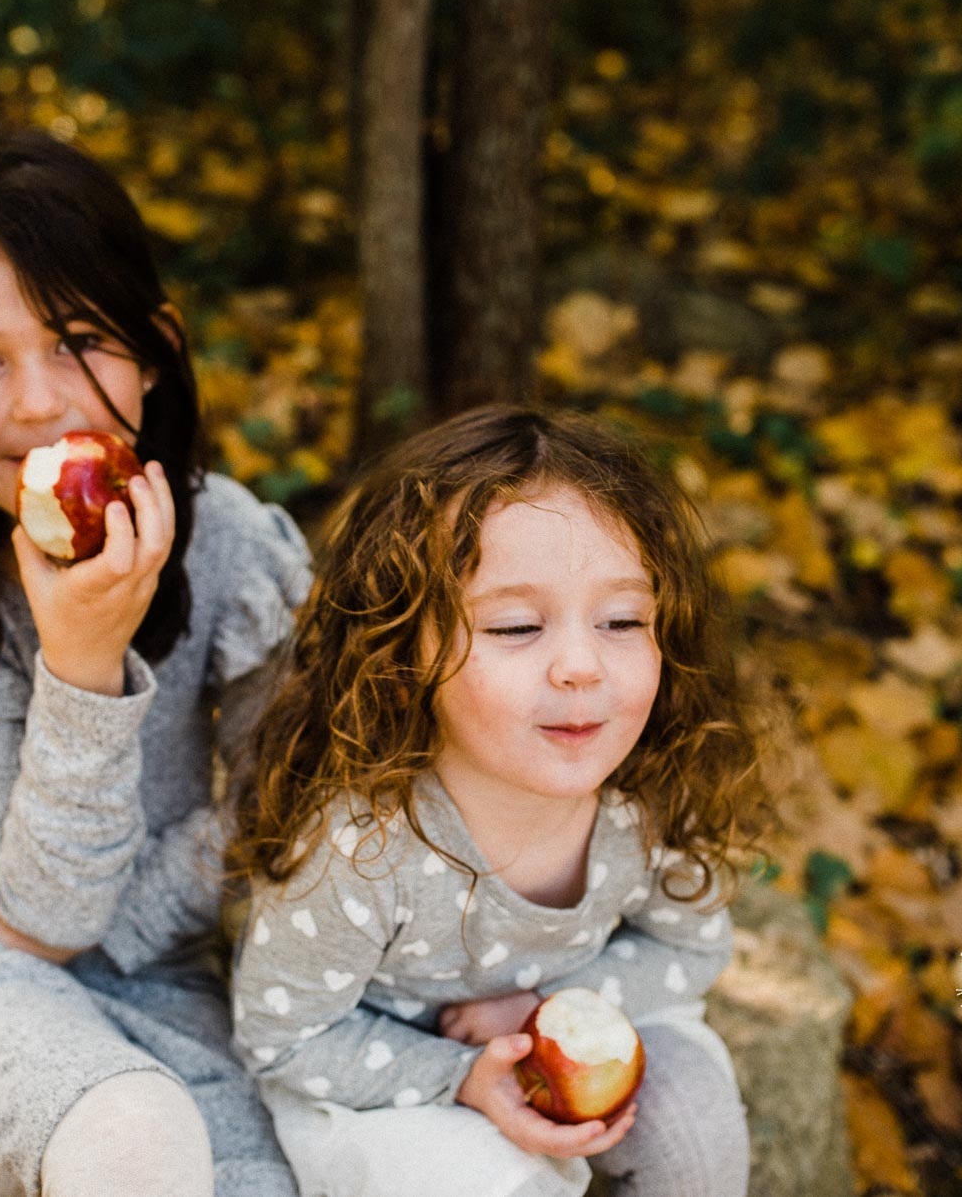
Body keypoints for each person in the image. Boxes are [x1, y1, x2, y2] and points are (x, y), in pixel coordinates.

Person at [0, 128, 310, 1197]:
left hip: (168, 978)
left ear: (154, 351)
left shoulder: (233, 548)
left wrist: (153, 910)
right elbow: (40, 917)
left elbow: (291, 806)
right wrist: (82, 663)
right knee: (128, 1134)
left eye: (77, 339)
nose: (38, 402)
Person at [227, 404, 760, 1197]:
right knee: (481, 1183)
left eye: (622, 620)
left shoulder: (649, 796)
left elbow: (690, 948)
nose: (582, 665)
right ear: (403, 652)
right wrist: (467, 1074)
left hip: (575, 1024)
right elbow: (283, 1039)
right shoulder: (362, 846)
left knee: (697, 1132)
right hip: (394, 1085)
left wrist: (548, 1009)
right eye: (516, 627)